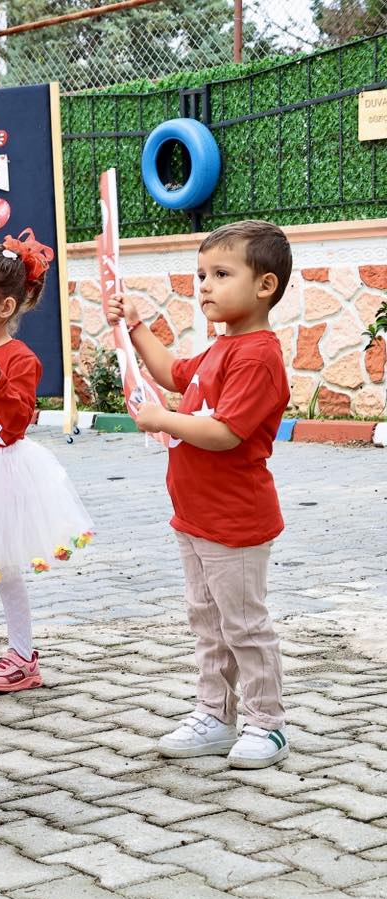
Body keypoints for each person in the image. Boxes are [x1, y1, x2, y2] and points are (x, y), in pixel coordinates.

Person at [107, 220, 293, 770]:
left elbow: (226, 432)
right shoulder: (220, 349)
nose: (205, 285)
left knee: (244, 625)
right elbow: (170, 372)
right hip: (194, 516)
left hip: (236, 521)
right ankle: (215, 714)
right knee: (207, 623)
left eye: (220, 274)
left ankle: (267, 722)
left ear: (265, 286)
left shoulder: (257, 356)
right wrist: (138, 327)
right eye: (201, 275)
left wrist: (163, 418)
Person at [0, 235, 93, 692]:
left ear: (6, 306)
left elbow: (15, 421)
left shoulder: (20, 358)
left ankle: (22, 652)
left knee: (4, 568)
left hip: (1, 472)